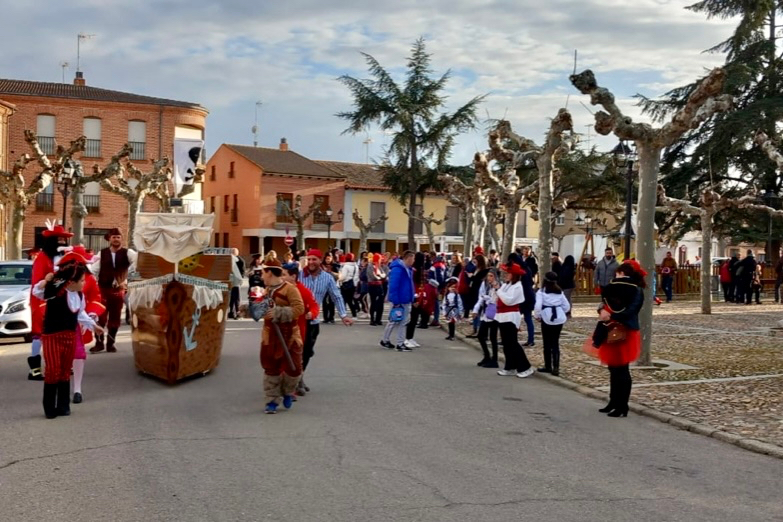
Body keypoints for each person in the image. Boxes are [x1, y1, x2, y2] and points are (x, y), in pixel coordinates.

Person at [33, 263, 103, 419]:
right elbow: (37, 291)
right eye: (82, 280)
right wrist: (46, 281)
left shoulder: (79, 295)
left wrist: (93, 325)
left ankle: (63, 406)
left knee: (65, 370)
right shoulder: (54, 292)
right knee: (53, 370)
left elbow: (80, 314)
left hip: (70, 336)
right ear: (71, 282)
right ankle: (50, 408)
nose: (84, 283)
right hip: (53, 336)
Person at [587, 260, 645, 418]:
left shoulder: (636, 290)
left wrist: (611, 314)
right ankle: (613, 401)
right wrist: (601, 310)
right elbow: (604, 302)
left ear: (623, 273)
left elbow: (632, 310)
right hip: (610, 327)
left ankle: (622, 405)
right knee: (613, 368)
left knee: (622, 369)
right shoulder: (620, 289)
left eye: (618, 273)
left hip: (625, 330)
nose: (616, 275)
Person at [252, 259, 304, 414]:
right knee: (270, 367)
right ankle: (272, 401)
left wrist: (279, 313)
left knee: (294, 368)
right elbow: (261, 310)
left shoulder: (290, 289)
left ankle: (288, 391)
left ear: (269, 272)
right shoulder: (266, 290)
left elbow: (299, 308)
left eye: (263, 272)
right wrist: (250, 309)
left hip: (289, 334)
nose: (261, 276)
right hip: (270, 334)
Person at [299, 249, 353, 394]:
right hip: (297, 320)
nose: (311, 262)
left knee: (308, 352)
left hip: (314, 321)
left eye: (314, 259)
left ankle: (299, 376)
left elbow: (336, 296)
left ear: (320, 260)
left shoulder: (327, 278)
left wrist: (343, 315)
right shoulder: (299, 276)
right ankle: (296, 380)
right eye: (309, 259)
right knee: (297, 350)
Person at [57, 246, 105, 405]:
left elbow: (88, 302)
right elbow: (40, 295)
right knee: (59, 360)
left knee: (78, 354)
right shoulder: (57, 286)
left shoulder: (88, 280)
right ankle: (57, 392)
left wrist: (92, 320)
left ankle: (77, 389)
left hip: (75, 326)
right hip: (56, 329)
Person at [27, 222, 72, 381]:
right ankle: (35, 369)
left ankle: (60, 365)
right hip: (42, 300)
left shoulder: (67, 257)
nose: (61, 242)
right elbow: (37, 282)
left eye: (63, 239)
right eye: (58, 239)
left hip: (62, 300)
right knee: (39, 334)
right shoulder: (42, 258)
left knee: (60, 333)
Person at [89, 228, 137, 353]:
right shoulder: (102, 253)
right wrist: (91, 282)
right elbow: (94, 270)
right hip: (102, 290)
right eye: (114, 237)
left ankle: (110, 344)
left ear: (122, 239)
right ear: (109, 239)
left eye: (118, 237)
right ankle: (99, 343)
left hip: (118, 291)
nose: (116, 239)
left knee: (115, 318)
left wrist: (126, 277)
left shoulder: (128, 253)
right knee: (100, 317)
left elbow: (137, 263)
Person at [495, 262, 535, 378]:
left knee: (512, 343)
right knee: (506, 344)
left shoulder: (518, 286)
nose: (506, 275)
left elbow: (509, 300)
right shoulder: (507, 285)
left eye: (508, 273)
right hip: (502, 316)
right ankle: (510, 366)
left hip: (511, 316)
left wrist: (499, 290)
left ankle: (525, 367)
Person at [534, 271, 570, 376]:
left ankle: (548, 366)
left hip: (546, 317)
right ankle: (556, 367)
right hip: (558, 318)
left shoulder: (541, 292)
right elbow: (567, 306)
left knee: (547, 343)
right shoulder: (560, 292)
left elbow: (537, 306)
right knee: (555, 343)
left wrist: (538, 316)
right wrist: (560, 310)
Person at [380, 250, 415, 352]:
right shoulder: (400, 269)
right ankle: (399, 343)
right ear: (409, 258)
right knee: (400, 322)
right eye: (413, 258)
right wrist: (396, 301)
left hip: (402, 299)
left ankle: (386, 340)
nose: (413, 260)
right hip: (401, 300)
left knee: (394, 321)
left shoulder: (403, 268)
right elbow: (393, 286)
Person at [472, 270, 499, 367]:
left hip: (495, 314)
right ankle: (487, 355)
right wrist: (476, 309)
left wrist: (489, 298)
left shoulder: (498, 286)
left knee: (493, 337)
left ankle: (495, 359)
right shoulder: (485, 285)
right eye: (488, 276)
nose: (489, 278)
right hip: (486, 312)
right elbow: (480, 297)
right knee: (480, 336)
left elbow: (498, 299)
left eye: (491, 276)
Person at [403, 252, 427, 348]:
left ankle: (410, 337)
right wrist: (415, 298)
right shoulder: (414, 271)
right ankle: (407, 338)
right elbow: (413, 286)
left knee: (415, 318)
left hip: (419, 295)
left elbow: (421, 285)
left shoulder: (420, 270)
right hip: (415, 296)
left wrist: (423, 296)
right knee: (412, 319)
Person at [367, 253, 386, 326]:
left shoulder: (379, 266)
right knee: (373, 302)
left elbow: (384, 274)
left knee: (381, 303)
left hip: (379, 285)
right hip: (372, 285)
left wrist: (380, 276)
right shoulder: (370, 266)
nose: (381, 260)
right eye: (380, 259)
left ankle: (379, 319)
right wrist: (380, 276)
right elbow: (372, 276)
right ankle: (372, 319)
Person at [338, 253, 360, 318]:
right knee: (350, 301)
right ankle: (354, 315)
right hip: (352, 285)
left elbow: (343, 277)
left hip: (345, 285)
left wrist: (339, 279)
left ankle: (343, 314)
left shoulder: (345, 266)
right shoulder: (356, 266)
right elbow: (356, 277)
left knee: (343, 300)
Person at [428, 256, 447, 327]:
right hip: (441, 288)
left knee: (436, 304)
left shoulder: (434, 267)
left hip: (435, 287)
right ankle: (436, 319)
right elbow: (444, 277)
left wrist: (437, 286)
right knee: (438, 303)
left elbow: (434, 277)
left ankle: (436, 319)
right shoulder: (443, 266)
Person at [321, 251, 339, 324]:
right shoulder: (321, 266)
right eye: (326, 259)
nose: (328, 260)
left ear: (332, 259)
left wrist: (330, 272)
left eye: (329, 258)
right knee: (324, 302)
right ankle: (325, 318)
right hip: (323, 285)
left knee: (332, 302)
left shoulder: (335, 266)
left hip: (332, 285)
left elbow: (338, 276)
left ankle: (331, 317)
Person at [229, 248, 245, 319]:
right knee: (233, 298)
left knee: (235, 298)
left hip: (235, 282)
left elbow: (242, 271)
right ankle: (232, 312)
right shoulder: (234, 260)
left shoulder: (239, 261)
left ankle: (236, 312)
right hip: (234, 282)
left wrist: (240, 279)